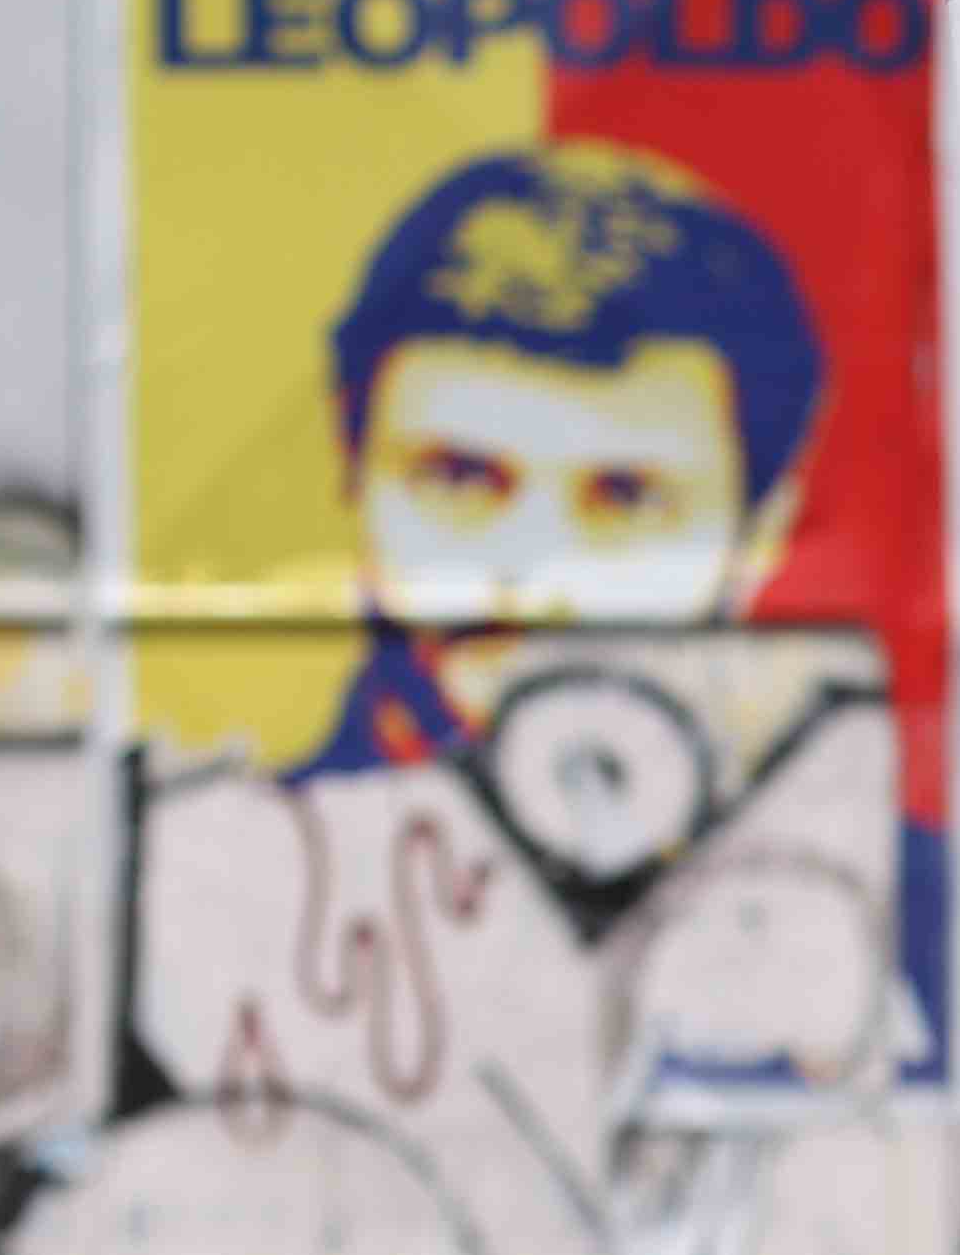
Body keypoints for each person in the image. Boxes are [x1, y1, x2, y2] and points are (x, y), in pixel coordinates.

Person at [298, 140, 827, 780]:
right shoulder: (212, 841)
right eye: (461, 479)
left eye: (627, 497)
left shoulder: (885, 846)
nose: (537, 583)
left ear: (761, 536)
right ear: (351, 473)